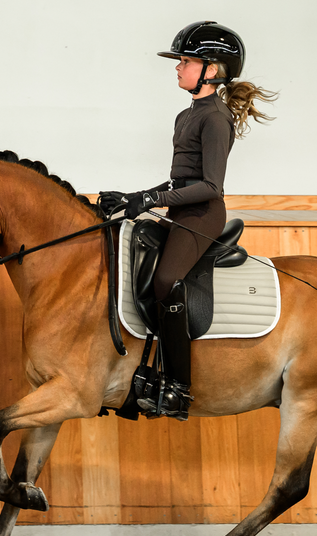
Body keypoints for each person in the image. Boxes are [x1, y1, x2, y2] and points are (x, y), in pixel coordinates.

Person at [101, 20, 277, 421]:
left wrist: (153, 198)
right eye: (179, 61)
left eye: (185, 61)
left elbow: (211, 186)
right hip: (181, 209)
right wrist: (134, 197)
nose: (178, 68)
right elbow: (181, 178)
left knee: (166, 281)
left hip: (202, 215)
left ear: (210, 70)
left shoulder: (215, 118)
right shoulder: (187, 115)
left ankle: (179, 387)